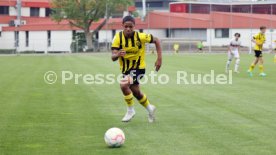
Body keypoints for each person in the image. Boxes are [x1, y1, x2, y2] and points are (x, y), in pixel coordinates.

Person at [111, 16, 162, 123]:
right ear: (122, 26)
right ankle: (150, 108)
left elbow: (156, 40)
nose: (128, 29)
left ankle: (130, 110)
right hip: (126, 70)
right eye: (126, 26)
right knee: (136, 93)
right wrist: (118, 54)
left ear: (134, 26)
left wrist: (159, 59)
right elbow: (113, 57)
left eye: (131, 26)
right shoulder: (117, 38)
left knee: (124, 85)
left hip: (139, 68)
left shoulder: (140, 36)